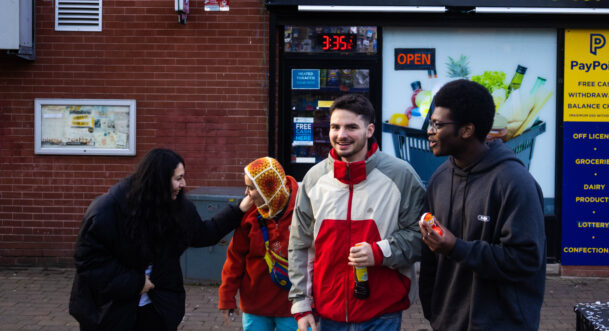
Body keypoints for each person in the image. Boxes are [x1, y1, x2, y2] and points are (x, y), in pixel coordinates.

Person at [69, 148, 253, 331]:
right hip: (110, 312)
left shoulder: (177, 208)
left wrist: (239, 210)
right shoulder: (106, 212)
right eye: (178, 178)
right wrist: (135, 283)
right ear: (158, 181)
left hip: (157, 308)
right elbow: (88, 262)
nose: (184, 184)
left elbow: (203, 233)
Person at [289, 94, 425, 331]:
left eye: (351, 127)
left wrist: (380, 252)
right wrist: (301, 304)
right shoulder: (314, 179)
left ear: (369, 129)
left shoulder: (401, 175)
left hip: (383, 312)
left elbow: (421, 236)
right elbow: (300, 244)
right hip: (328, 312)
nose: (341, 135)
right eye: (335, 127)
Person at [418, 79, 546, 331]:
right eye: (430, 123)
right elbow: (430, 259)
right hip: (447, 323)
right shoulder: (439, 180)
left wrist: (457, 247)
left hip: (503, 324)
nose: (429, 131)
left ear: (466, 130)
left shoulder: (515, 182)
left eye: (437, 124)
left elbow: (525, 260)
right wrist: (434, 312)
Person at [218, 156, 298, 330]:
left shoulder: (303, 208)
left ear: (269, 188)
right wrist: (227, 296)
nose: (246, 193)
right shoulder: (250, 213)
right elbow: (235, 257)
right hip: (256, 305)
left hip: (293, 306)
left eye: (251, 187)